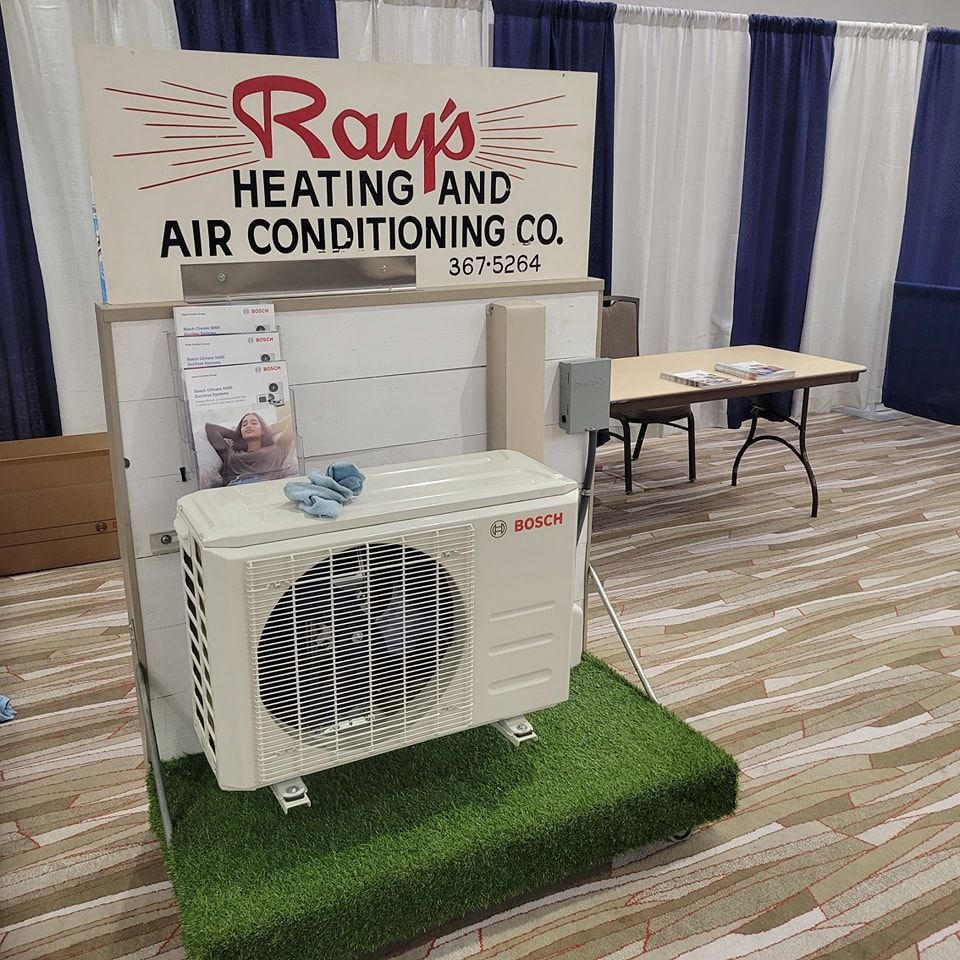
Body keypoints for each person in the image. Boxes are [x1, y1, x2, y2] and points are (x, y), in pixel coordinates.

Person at [205, 412, 294, 486]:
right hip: (235, 490)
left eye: (254, 423)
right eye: (244, 425)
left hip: (265, 489)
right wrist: (238, 435)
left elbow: (293, 417)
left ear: (263, 429)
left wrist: (269, 431)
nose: (248, 426)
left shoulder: (277, 448)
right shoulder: (231, 453)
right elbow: (210, 428)